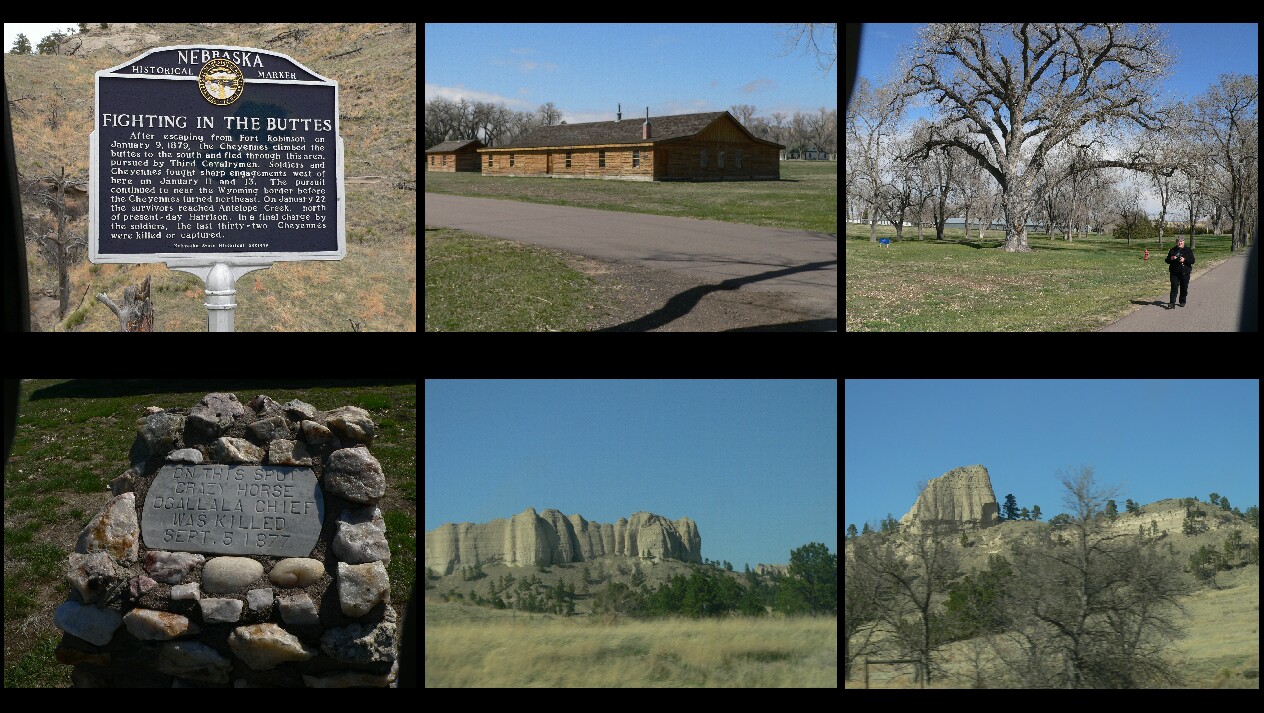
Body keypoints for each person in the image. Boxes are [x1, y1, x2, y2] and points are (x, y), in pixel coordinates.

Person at [1165, 237, 1195, 309]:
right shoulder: (1172, 250)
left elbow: (1192, 261)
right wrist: (1171, 258)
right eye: (1178, 241)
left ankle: (1182, 301)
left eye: (1181, 241)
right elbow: (1167, 260)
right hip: (1174, 272)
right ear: (1176, 242)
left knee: (1184, 287)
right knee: (1174, 287)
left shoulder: (1188, 250)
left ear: (1184, 242)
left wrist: (1184, 260)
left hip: (1185, 272)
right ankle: (1172, 303)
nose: (1180, 243)